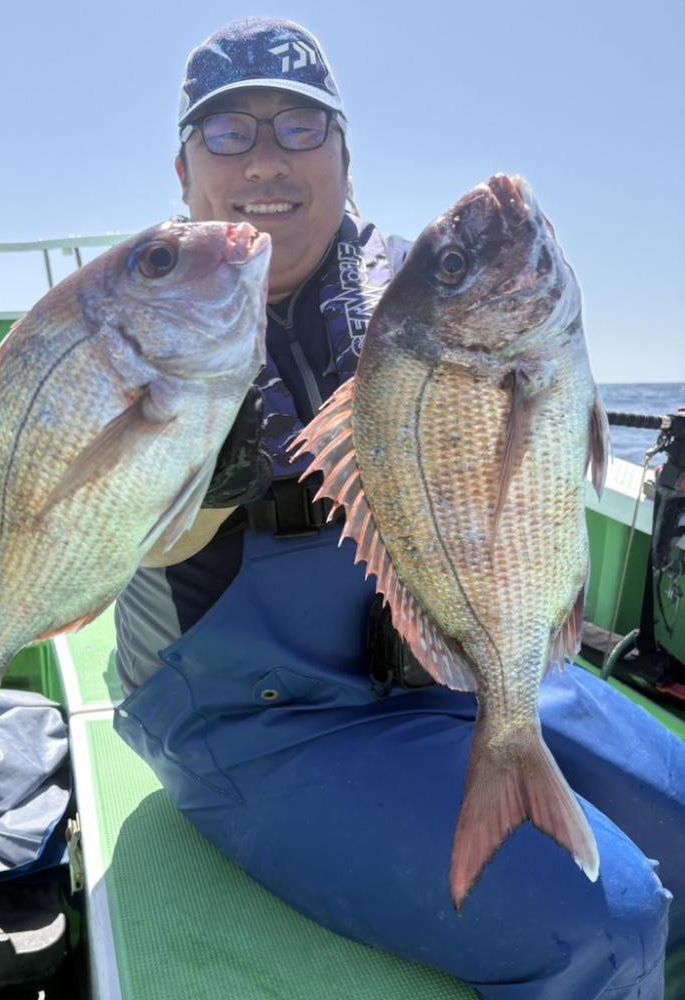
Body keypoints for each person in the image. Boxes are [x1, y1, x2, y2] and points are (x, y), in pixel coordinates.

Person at [113, 17, 684, 999]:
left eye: (299, 127)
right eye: (228, 132)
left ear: (344, 155)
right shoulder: (138, 314)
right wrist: (194, 476)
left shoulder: (420, 289)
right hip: (264, 722)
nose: (266, 159)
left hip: (460, 669)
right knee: (608, 922)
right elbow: (121, 535)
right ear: (182, 169)